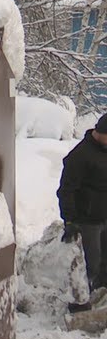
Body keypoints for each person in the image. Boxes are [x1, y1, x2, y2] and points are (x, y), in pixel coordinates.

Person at [57, 113, 107, 308]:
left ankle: (101, 300)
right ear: (101, 132)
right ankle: (80, 304)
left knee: (105, 265)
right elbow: (66, 191)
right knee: (90, 266)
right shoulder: (80, 155)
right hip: (88, 221)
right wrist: (70, 220)